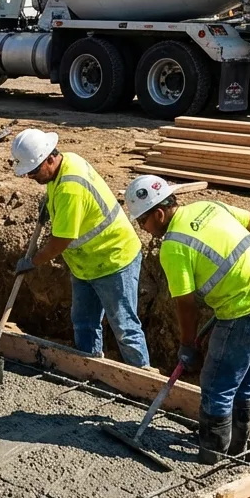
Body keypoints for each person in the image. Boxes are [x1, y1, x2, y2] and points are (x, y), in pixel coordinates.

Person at [123, 174, 250, 464]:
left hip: (246, 310)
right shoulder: (208, 206)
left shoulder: (174, 246)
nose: (143, 229)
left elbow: (186, 304)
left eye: (142, 222)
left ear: (159, 213)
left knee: (216, 386)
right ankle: (236, 450)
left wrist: (188, 345)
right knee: (245, 381)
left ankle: (211, 456)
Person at [10, 128, 150, 368]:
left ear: (50, 158)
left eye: (33, 172)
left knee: (125, 328)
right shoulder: (66, 163)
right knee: (84, 322)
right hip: (86, 263)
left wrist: (32, 262)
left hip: (113, 259)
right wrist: (48, 203)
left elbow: (60, 241)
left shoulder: (69, 187)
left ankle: (143, 385)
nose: (31, 177)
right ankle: (89, 371)